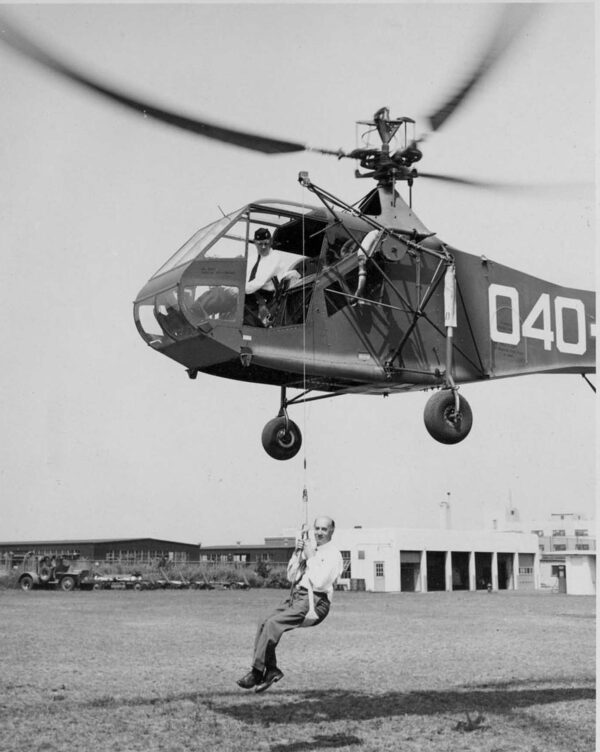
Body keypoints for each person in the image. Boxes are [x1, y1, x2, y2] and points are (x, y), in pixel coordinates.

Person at [237, 516, 343, 693]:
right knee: (264, 621)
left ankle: (257, 672)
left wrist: (311, 558)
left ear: (332, 531)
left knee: (273, 625)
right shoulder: (311, 549)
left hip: (315, 601)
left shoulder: (333, 554)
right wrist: (297, 554)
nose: (319, 532)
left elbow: (319, 581)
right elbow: (291, 577)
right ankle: (271, 670)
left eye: (324, 529)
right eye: (317, 528)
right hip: (297, 596)